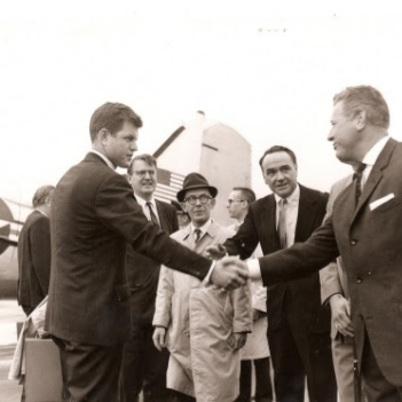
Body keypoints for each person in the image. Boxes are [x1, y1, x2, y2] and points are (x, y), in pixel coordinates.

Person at [44, 102, 248, 402]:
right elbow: (148, 237)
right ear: (103, 136)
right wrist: (208, 269)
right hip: (94, 323)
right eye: (128, 138)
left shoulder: (69, 179)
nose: (135, 146)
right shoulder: (106, 181)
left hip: (69, 319)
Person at [236, 85, 402, 401]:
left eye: (333, 124)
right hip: (373, 356)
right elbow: (313, 250)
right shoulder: (346, 192)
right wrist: (245, 269)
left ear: (360, 118)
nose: (328, 135)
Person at [208, 146, 337, 402]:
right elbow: (242, 243)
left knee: (321, 382)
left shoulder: (321, 202)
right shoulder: (259, 209)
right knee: (285, 383)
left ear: (296, 169)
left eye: (285, 169)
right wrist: (223, 251)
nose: (279, 177)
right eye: (271, 172)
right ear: (264, 178)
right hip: (277, 309)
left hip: (314, 307)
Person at [152, 173, 252, 402]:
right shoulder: (174, 241)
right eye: (192, 199)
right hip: (181, 330)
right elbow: (165, 285)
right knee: (183, 392)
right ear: (184, 206)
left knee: (216, 393)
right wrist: (160, 322)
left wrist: (241, 325)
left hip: (216, 330)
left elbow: (241, 284)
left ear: (212, 203)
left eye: (203, 198)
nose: (198, 203)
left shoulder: (228, 238)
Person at [119, 154, 178, 402]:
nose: (147, 177)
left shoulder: (167, 211)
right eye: (141, 172)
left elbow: (173, 255)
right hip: (130, 312)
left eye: (151, 172)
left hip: (162, 312)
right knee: (128, 384)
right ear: (129, 177)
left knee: (159, 382)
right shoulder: (121, 211)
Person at [320, 174, 366, 402]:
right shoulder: (339, 188)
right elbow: (326, 251)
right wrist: (334, 297)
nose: (331, 136)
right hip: (345, 322)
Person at [227, 187, 273, 402]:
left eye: (232, 201)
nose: (228, 205)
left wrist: (258, 306)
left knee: (260, 359)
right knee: (240, 359)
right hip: (235, 308)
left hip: (254, 307)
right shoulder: (230, 232)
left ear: (244, 203)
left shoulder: (259, 233)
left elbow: (264, 272)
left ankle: (264, 399)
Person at [17, 185, 54, 316]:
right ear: (49, 201)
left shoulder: (31, 219)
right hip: (38, 297)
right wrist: (52, 297)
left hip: (29, 295)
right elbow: (43, 264)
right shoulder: (42, 222)